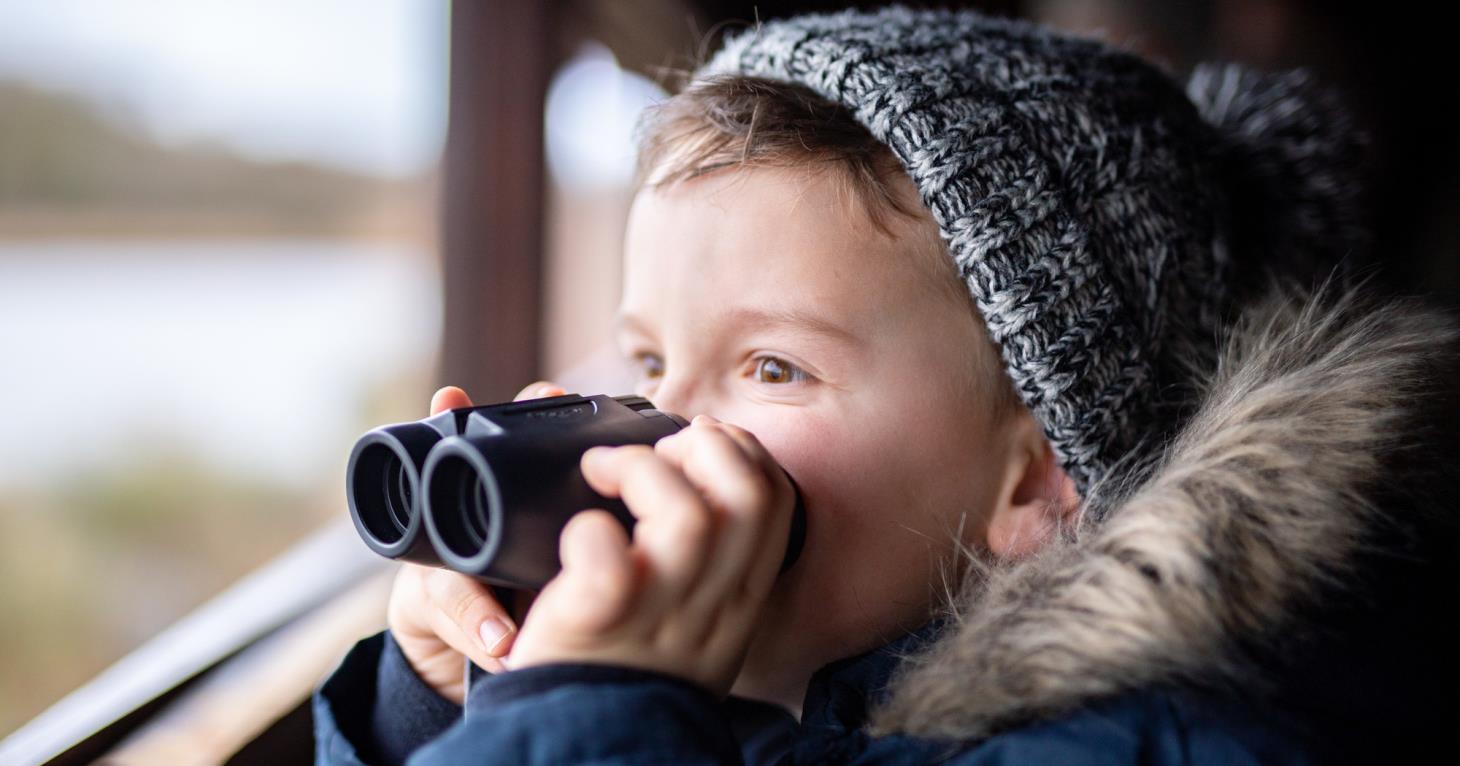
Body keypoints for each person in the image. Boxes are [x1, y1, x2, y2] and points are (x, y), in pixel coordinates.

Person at [313, 5, 1460, 764]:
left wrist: (579, 714)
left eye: (771, 367)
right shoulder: (766, 703)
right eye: (652, 362)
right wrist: (437, 702)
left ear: (1037, 475)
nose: (665, 433)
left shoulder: (1165, 743)